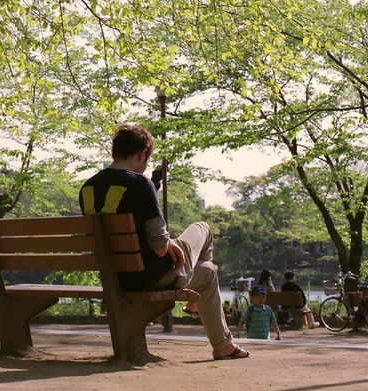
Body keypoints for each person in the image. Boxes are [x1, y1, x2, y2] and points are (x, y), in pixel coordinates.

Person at [79, 123, 248, 360]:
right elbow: (159, 248)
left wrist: (167, 243)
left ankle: (222, 343)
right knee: (203, 228)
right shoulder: (140, 184)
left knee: (208, 271)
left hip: (115, 277)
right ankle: (198, 309)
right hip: (152, 276)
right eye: (148, 159)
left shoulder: (88, 187)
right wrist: (167, 243)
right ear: (142, 154)